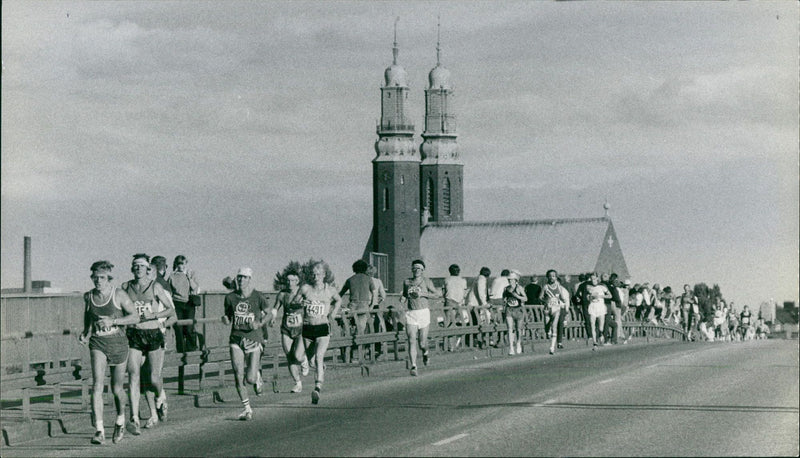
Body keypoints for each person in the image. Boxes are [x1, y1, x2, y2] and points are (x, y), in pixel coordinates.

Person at [78, 261, 140, 445]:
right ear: (92, 278)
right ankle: (99, 430)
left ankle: (121, 420)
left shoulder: (119, 295)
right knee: (97, 385)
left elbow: (135, 317)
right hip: (98, 343)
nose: (98, 281)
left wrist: (113, 322)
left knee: (116, 388)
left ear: (109, 279)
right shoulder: (88, 296)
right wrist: (85, 331)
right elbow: (88, 315)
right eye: (95, 278)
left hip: (118, 343)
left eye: (102, 278)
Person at [121, 254, 177, 433]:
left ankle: (161, 396)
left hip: (153, 334)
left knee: (153, 378)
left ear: (147, 269)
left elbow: (170, 311)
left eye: (141, 266)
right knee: (133, 375)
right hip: (134, 335)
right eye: (135, 266)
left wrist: (154, 316)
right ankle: (134, 418)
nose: (138, 269)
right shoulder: (125, 287)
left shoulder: (156, 286)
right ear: (132, 269)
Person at [221, 267, 270, 420]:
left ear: (250, 279)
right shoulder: (230, 298)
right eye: (239, 277)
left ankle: (257, 376)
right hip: (236, 338)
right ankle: (247, 409)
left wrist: (259, 323)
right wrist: (226, 319)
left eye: (244, 277)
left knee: (250, 379)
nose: (241, 280)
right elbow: (228, 316)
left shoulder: (258, 296)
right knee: (238, 374)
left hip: (253, 339)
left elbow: (270, 313)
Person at [300, 262, 342, 404]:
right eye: (313, 274)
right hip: (307, 328)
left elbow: (339, 300)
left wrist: (334, 312)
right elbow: (295, 302)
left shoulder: (329, 290)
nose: (315, 276)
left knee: (318, 357)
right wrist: (301, 303)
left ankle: (317, 388)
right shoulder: (305, 289)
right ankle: (321, 368)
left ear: (324, 275)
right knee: (312, 361)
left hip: (322, 327)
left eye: (318, 274)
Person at [271, 271, 309, 393]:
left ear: (297, 281)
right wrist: (272, 317)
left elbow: (312, 304)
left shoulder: (302, 293)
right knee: (289, 356)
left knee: (297, 356)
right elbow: (276, 307)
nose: (290, 283)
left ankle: (303, 360)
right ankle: (297, 383)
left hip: (301, 329)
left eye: (293, 280)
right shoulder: (282, 294)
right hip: (286, 328)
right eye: (288, 280)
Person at [400, 260, 439, 376]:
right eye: (415, 268)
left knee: (422, 343)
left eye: (419, 269)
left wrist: (423, 294)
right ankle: (413, 366)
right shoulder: (407, 282)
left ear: (423, 270)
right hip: (411, 313)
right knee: (412, 340)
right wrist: (402, 299)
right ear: (412, 269)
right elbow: (405, 294)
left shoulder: (426, 281)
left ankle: (425, 353)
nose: (417, 270)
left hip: (423, 313)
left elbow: (437, 294)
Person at [338, 259, 375, 362]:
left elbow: (340, 293)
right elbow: (374, 293)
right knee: (361, 331)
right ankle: (360, 355)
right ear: (365, 268)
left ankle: (348, 355)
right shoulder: (369, 279)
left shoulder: (350, 279)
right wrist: (372, 305)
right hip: (364, 305)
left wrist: (336, 304)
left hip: (352, 305)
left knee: (348, 330)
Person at [169, 255, 200, 352]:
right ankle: (181, 350)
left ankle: (191, 349)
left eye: (183, 263)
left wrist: (189, 277)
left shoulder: (191, 273)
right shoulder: (172, 276)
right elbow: (169, 291)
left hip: (189, 303)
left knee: (189, 327)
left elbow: (195, 288)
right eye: (179, 263)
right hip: (177, 303)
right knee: (179, 328)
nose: (181, 266)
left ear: (186, 264)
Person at [539, 269, 569, 355]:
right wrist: (546, 300)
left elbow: (562, 298)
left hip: (556, 309)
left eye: (554, 276)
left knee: (554, 326)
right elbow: (540, 297)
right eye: (550, 276)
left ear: (556, 277)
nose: (552, 278)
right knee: (547, 328)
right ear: (547, 277)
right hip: (547, 309)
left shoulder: (559, 287)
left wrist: (561, 302)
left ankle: (552, 347)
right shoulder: (545, 287)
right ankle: (548, 332)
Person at [442, 264, 468, 352]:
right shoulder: (463, 280)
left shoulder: (447, 280)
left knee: (448, 323)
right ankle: (457, 343)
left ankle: (449, 345)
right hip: (459, 303)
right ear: (459, 271)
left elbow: (444, 292)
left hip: (449, 301)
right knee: (459, 323)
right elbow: (464, 293)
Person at [584, 272, 611, 350]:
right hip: (593, 306)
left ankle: (601, 334)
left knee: (601, 326)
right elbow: (587, 297)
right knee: (592, 323)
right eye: (592, 279)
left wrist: (600, 296)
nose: (593, 280)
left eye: (594, 279)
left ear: (597, 279)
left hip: (601, 306)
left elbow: (610, 296)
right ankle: (595, 342)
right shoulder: (588, 287)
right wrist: (590, 297)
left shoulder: (602, 287)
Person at [466, 267, 491, 348]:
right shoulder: (482, 279)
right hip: (475, 304)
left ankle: (472, 340)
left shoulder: (478, 278)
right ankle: (473, 340)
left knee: (473, 322)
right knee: (475, 322)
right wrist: (484, 303)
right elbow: (481, 292)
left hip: (472, 303)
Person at [503, 270, 527, 355]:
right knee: (509, 328)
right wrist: (505, 301)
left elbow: (525, 298)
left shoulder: (519, 288)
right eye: (509, 279)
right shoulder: (506, 288)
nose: (509, 281)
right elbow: (504, 298)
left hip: (518, 310)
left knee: (518, 329)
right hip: (509, 310)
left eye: (511, 279)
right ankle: (511, 348)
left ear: (515, 280)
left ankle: (518, 343)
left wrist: (516, 296)